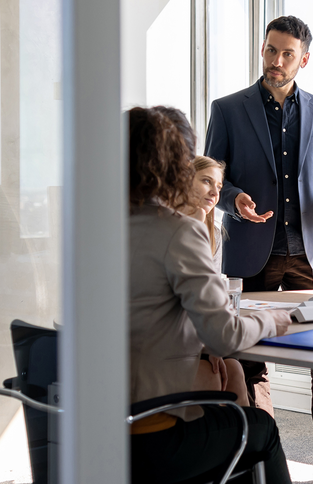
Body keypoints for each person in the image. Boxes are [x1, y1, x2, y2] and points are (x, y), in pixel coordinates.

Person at [203, 15, 313, 482]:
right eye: (271, 50)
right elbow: (215, 176)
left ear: (303, 60)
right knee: (250, 361)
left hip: (309, 258)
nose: (276, 60)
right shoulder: (228, 109)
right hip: (251, 254)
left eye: (287, 53)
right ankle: (256, 463)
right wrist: (234, 201)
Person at [126, 106, 295, 484]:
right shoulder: (178, 232)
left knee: (229, 397)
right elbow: (227, 335)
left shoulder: (98, 228)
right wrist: (278, 319)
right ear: (175, 166)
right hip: (150, 435)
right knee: (260, 429)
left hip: (95, 428)